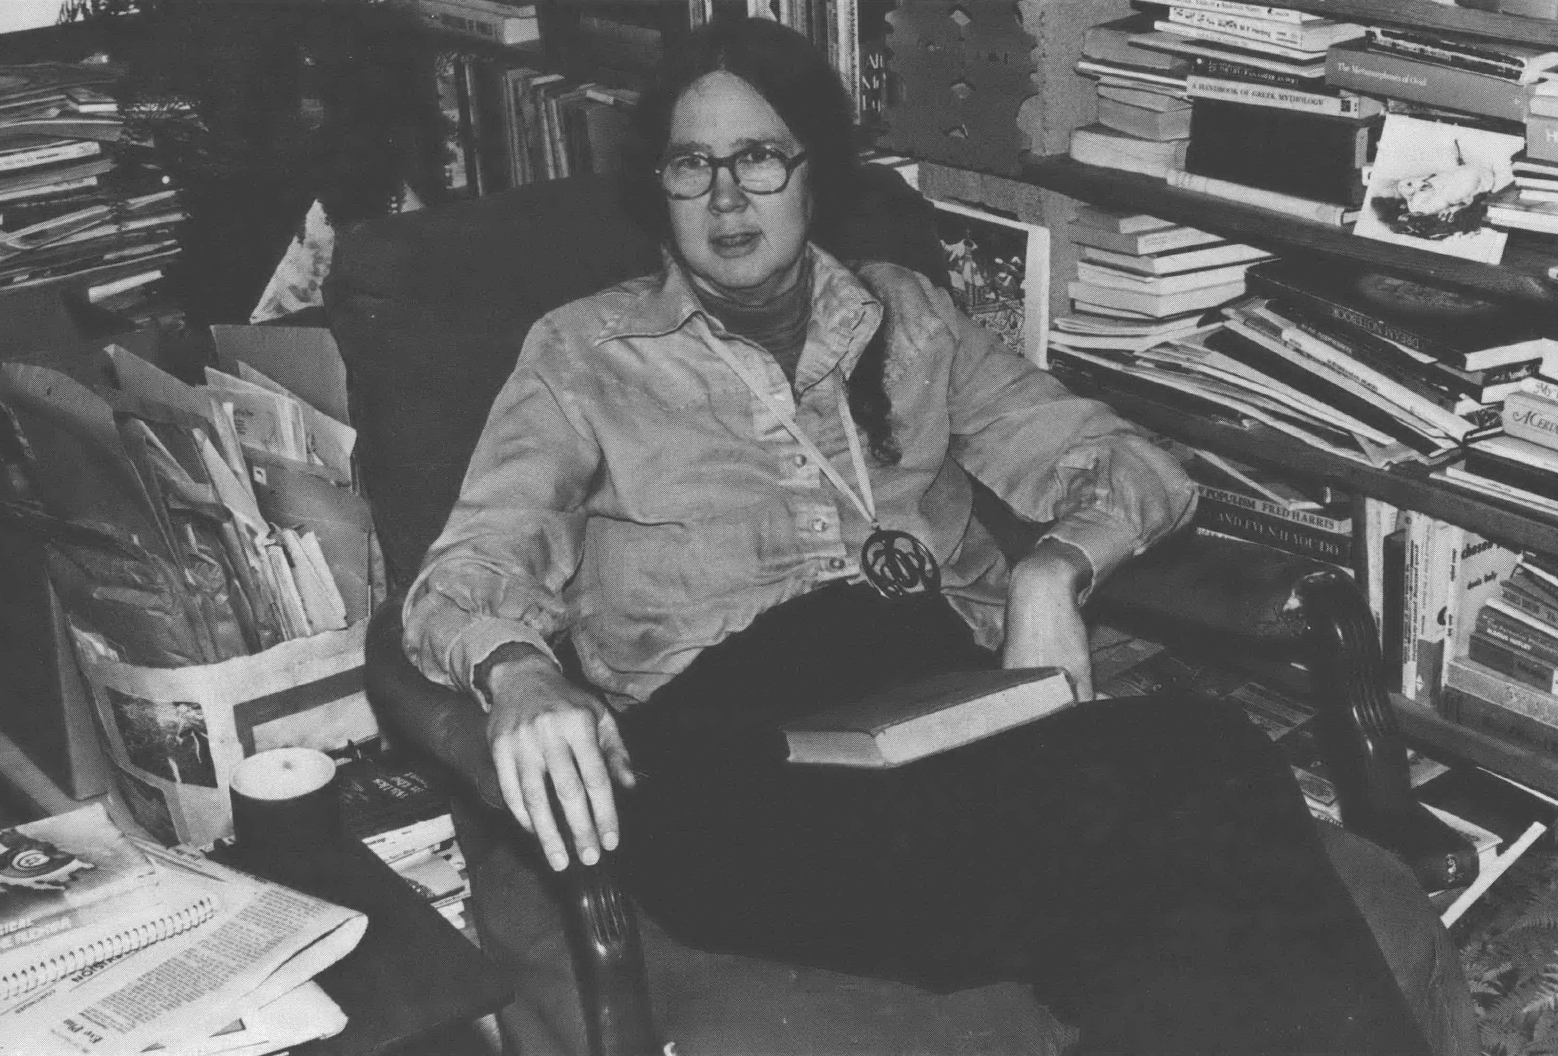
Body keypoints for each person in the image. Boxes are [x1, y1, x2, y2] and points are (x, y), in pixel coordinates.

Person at [402, 18, 1475, 1056]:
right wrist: (515, 673)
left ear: (815, 170)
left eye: (760, 158)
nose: (725, 195)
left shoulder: (908, 318)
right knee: (1192, 781)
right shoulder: (584, 354)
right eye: (691, 165)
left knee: (1174, 848)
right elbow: (468, 569)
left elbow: (1134, 464)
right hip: (734, 761)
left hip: (947, 721)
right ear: (660, 187)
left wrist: (1056, 568)